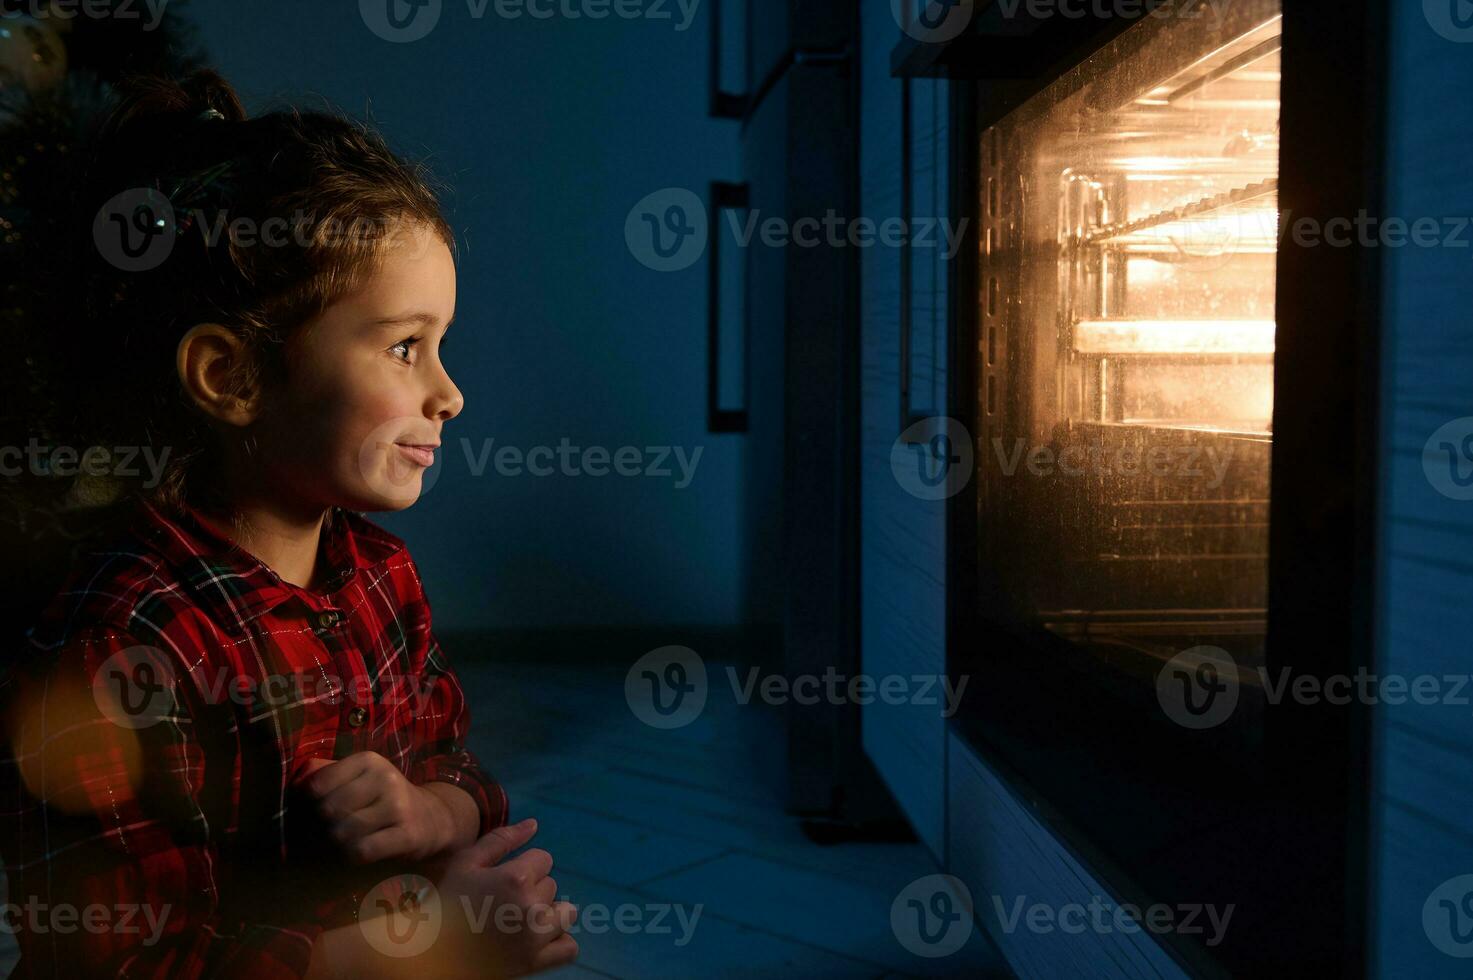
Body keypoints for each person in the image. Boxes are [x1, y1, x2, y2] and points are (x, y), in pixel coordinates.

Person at [0, 68, 577, 979]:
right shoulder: (122, 638)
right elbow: (121, 962)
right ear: (234, 378)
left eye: (442, 346)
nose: (450, 394)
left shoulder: (382, 576)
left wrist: (434, 813)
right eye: (403, 347)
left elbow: (453, 761)